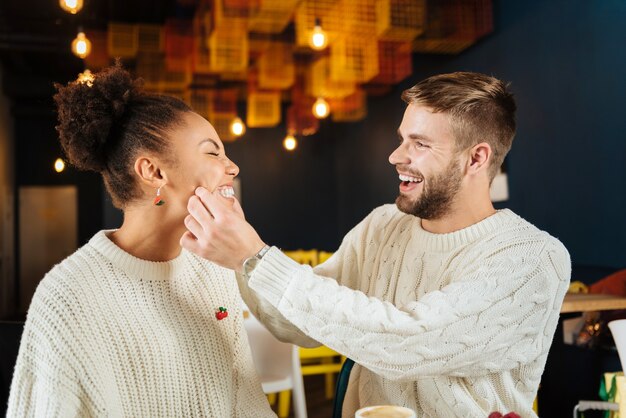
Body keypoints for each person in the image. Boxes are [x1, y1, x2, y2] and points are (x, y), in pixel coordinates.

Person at [180, 72, 572, 417]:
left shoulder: (533, 258)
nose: (395, 156)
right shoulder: (382, 226)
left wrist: (257, 257)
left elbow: (406, 342)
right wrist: (238, 256)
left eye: (419, 144)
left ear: (476, 159)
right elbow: (299, 324)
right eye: (402, 139)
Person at [7, 63, 275, 417]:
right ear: (154, 172)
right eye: (213, 152)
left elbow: (245, 402)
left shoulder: (214, 266)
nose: (233, 167)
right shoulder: (67, 296)